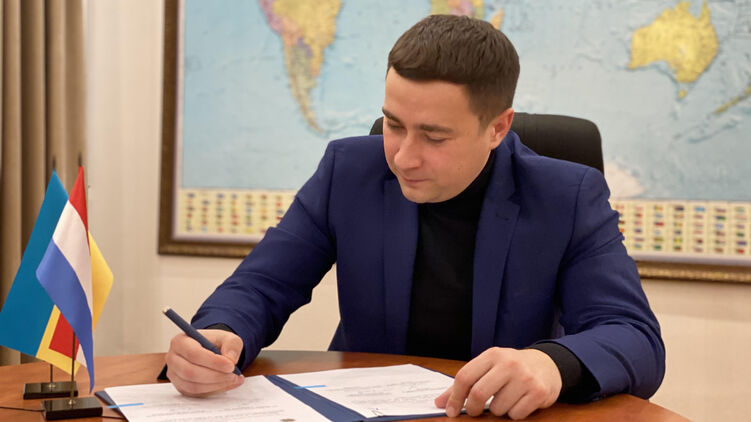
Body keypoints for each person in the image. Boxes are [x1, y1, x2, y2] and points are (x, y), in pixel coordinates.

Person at [165, 14, 665, 420]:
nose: (403, 157)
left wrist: (551, 363)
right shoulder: (348, 171)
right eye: (393, 124)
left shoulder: (566, 196)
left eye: (434, 136)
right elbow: (262, 285)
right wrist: (221, 333)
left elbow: (633, 335)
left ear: (497, 128)